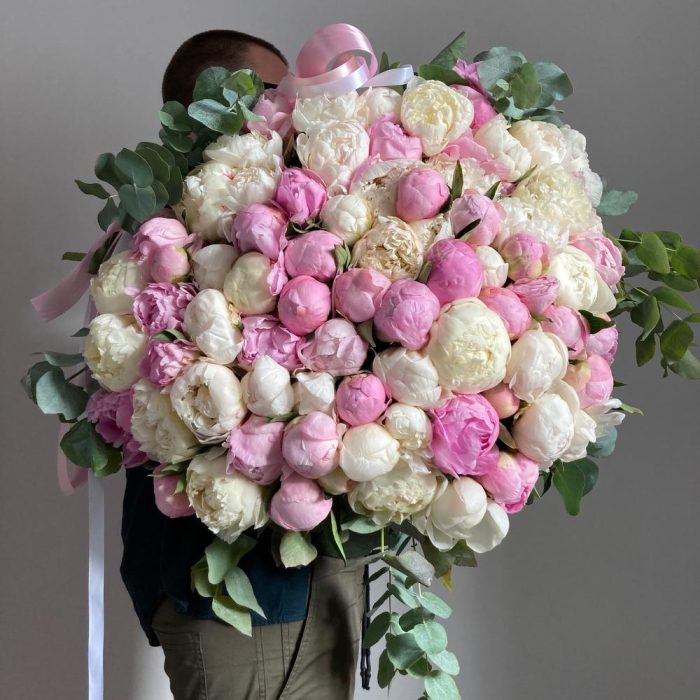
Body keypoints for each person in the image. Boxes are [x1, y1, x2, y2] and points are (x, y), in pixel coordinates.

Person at [119, 30, 370, 700]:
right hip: (234, 604)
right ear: (214, 106)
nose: (297, 107)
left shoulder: (304, 221)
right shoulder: (163, 251)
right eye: (279, 93)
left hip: (318, 587)